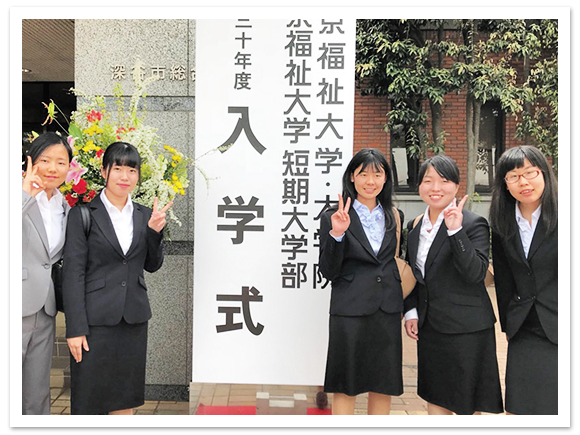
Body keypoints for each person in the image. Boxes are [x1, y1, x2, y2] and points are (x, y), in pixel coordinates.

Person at [62, 141, 172, 415]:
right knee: (89, 400)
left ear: (138, 175)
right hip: (94, 323)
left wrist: (154, 233)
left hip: (132, 321)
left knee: (125, 401)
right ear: (104, 171)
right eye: (118, 168)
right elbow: (73, 273)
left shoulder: (145, 215)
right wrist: (75, 328)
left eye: (132, 170)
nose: (125, 176)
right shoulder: (83, 214)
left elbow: (152, 265)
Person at [403, 155, 503, 415]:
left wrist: (455, 231)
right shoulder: (414, 229)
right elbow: (414, 277)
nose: (435, 188)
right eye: (428, 181)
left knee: (466, 403)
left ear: (457, 187)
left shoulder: (472, 223)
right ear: (419, 187)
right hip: (431, 329)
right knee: (434, 397)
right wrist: (411, 312)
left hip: (466, 329)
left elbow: (475, 272)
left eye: (444, 181)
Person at [318, 148, 404, 415]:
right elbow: (328, 271)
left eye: (377, 174)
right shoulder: (333, 215)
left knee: (383, 383)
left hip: (386, 309)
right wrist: (337, 234)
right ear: (351, 178)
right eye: (363, 174)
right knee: (346, 383)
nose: (371, 181)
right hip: (350, 309)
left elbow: (395, 262)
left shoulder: (394, 215)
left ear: (386, 179)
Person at [489, 145, 558, 415]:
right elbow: (505, 279)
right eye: (514, 176)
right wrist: (508, 325)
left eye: (530, 173)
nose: (524, 182)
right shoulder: (502, 221)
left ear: (544, 174)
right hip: (524, 327)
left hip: (561, 323)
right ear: (505, 184)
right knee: (518, 407)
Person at [22, 132, 72, 414]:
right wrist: (23, 194)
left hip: (45, 307)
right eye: (45, 160)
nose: (53, 168)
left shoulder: (64, 205)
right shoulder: (15, 195)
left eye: (61, 162)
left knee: (37, 390)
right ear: (31, 161)